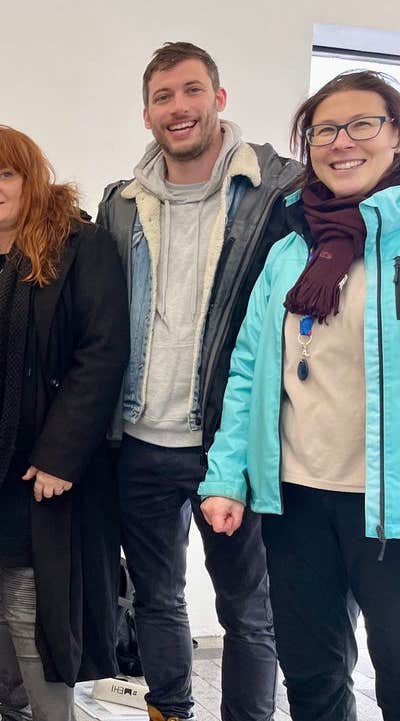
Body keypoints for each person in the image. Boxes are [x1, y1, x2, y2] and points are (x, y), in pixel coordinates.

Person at [95, 41, 300, 721]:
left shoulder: (278, 192)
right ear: (148, 113)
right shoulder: (121, 204)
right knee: (155, 596)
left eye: (190, 91)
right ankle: (171, 711)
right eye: (162, 97)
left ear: (218, 98)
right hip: (141, 439)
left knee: (248, 608)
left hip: (229, 444)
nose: (177, 108)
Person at [200, 69, 400, 721]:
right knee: (312, 675)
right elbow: (251, 367)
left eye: (362, 124)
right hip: (298, 500)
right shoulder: (291, 249)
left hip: (389, 506)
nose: (342, 141)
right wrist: (227, 477)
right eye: (324, 130)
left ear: (395, 136)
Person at [0, 125, 129, 721]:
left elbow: (102, 352)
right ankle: (12, 711)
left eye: (5, 174)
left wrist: (63, 455)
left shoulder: (79, 248)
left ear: (33, 180)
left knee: (29, 604)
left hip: (39, 469)